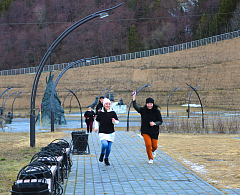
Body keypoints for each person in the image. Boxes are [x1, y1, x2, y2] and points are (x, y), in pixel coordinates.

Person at [132, 90, 163, 164]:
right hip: (145, 131)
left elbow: (160, 121)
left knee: (154, 146)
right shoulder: (143, 110)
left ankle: (153, 151)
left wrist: (154, 123)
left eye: (151, 104)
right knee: (148, 144)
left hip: (154, 131)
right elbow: (135, 106)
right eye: (148, 104)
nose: (149, 105)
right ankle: (150, 158)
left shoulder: (157, 111)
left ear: (153, 104)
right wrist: (134, 97)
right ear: (146, 104)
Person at [94, 98, 119, 166]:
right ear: (104, 104)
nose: (108, 105)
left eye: (109, 104)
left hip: (111, 133)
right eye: (106, 104)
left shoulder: (113, 112)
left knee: (108, 147)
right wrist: (96, 128)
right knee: (105, 144)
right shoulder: (100, 113)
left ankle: (106, 158)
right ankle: (102, 154)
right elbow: (97, 121)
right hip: (102, 132)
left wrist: (114, 121)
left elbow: (117, 122)